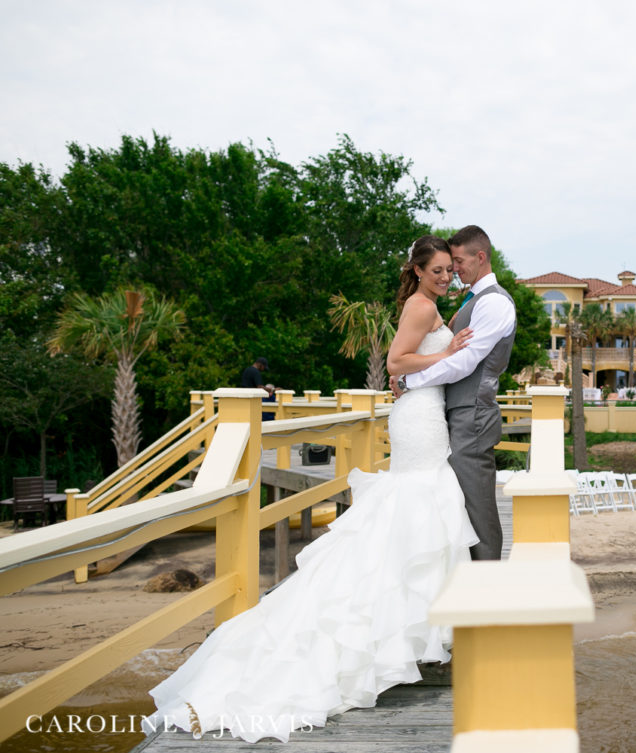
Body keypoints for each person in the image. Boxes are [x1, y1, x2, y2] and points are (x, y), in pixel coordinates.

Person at [148, 235, 477, 743]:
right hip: (419, 419)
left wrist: (440, 354)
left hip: (423, 414)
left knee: (416, 508)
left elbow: (408, 366)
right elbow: (395, 364)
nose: (445, 277)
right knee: (419, 501)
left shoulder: (428, 304)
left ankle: (412, 616)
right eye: (436, 270)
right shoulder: (419, 305)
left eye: (447, 271)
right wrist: (447, 353)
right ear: (416, 270)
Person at [391, 225, 516, 561]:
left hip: (472, 415)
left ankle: (487, 586)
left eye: (457, 263)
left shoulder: (494, 304)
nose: (453, 272)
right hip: (448, 415)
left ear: (480, 257)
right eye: (445, 267)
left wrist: (409, 381)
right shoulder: (469, 301)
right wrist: (409, 373)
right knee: (454, 503)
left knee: (477, 509)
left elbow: (464, 363)